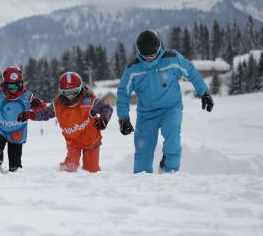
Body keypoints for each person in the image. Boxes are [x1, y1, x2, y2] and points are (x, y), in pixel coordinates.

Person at [116, 29, 214, 173]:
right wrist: (123, 118)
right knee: (143, 151)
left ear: (159, 48)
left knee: (172, 141)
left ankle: (169, 174)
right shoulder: (133, 69)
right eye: (146, 56)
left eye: (153, 55)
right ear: (139, 52)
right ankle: (142, 185)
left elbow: (191, 72)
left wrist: (204, 92)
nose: (150, 58)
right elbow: (123, 93)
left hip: (171, 108)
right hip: (147, 114)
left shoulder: (172, 58)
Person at [18, 72, 113, 173]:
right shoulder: (58, 105)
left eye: (74, 91)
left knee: (91, 170)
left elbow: (106, 108)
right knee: (69, 169)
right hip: (73, 142)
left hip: (91, 141)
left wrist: (104, 119)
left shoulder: (89, 101)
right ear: (61, 92)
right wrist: (31, 115)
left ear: (81, 88)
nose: (71, 96)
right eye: (67, 93)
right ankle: (64, 182)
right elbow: (45, 113)